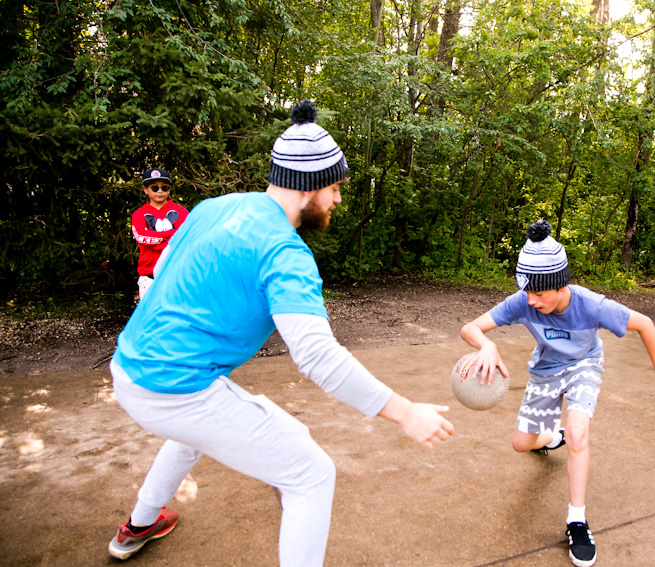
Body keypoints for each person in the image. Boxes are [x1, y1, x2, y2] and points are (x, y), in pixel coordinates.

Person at [107, 100, 454, 565]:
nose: (337, 200)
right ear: (310, 186)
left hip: (129, 368)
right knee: (311, 474)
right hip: (176, 388)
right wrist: (405, 412)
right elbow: (316, 356)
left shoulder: (215, 207)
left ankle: (140, 524)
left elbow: (165, 266)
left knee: (193, 430)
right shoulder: (284, 254)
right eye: (334, 187)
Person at [460, 220, 655, 567]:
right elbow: (469, 327)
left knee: (578, 434)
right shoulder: (525, 301)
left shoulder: (592, 305)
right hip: (545, 371)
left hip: (584, 365)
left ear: (560, 285)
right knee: (521, 443)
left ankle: (576, 520)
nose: (531, 301)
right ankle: (551, 438)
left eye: (539, 294)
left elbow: (645, 324)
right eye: (527, 292)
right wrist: (485, 344)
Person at [131, 168, 189, 300]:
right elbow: (141, 237)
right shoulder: (139, 214)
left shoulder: (182, 212)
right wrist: (172, 237)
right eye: (154, 188)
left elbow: (186, 238)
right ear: (145, 189)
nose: (160, 191)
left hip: (175, 275)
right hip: (149, 278)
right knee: (150, 318)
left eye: (164, 187)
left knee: (176, 318)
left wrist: (157, 241)